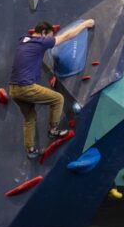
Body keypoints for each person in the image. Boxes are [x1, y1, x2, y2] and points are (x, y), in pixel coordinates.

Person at [9, 19, 94, 159]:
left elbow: (30, 59)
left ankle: (30, 149)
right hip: (25, 87)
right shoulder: (42, 41)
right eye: (49, 36)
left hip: (14, 89)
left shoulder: (24, 40)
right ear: (43, 33)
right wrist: (85, 24)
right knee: (58, 99)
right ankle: (52, 130)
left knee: (29, 117)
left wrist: (53, 73)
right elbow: (66, 37)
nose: (50, 40)